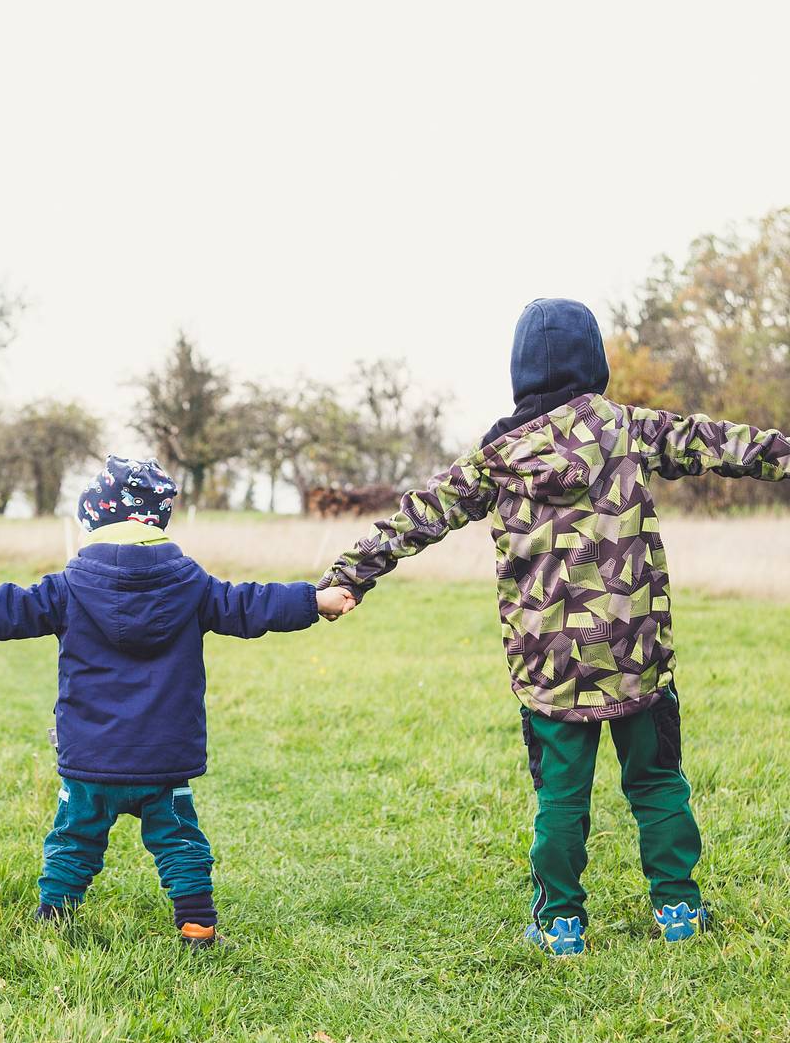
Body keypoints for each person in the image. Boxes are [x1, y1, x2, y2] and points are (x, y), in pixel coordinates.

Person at [320, 298, 790, 955]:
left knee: (561, 798)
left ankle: (561, 923)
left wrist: (349, 576)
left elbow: (415, 516)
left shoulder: (497, 458)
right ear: (594, 364)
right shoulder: (628, 429)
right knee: (656, 782)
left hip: (551, 666)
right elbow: (722, 443)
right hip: (637, 653)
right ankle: (679, 909)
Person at [0, 455, 354, 945]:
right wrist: (314, 601)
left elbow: (1, 608)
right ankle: (196, 921)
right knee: (179, 841)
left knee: (74, 838)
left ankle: (54, 916)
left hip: (91, 757)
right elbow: (250, 604)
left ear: (94, 520)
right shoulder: (194, 586)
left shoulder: (67, 588)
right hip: (164, 758)